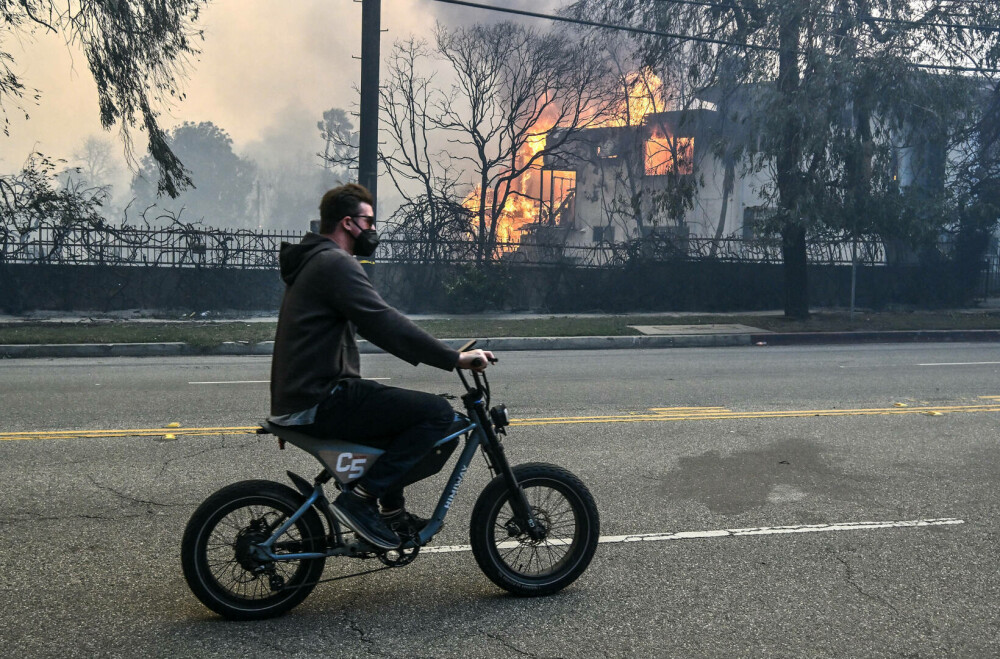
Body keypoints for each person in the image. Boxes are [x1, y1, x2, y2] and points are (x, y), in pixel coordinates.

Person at [269, 183, 494, 550]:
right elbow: (384, 321)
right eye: (368, 221)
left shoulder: (316, 262)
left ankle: (391, 512)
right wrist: (453, 358)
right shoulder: (335, 263)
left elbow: (371, 329)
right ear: (347, 223)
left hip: (309, 395)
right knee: (437, 414)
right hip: (323, 396)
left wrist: (288, 406)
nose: (373, 230)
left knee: (398, 420)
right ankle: (359, 501)